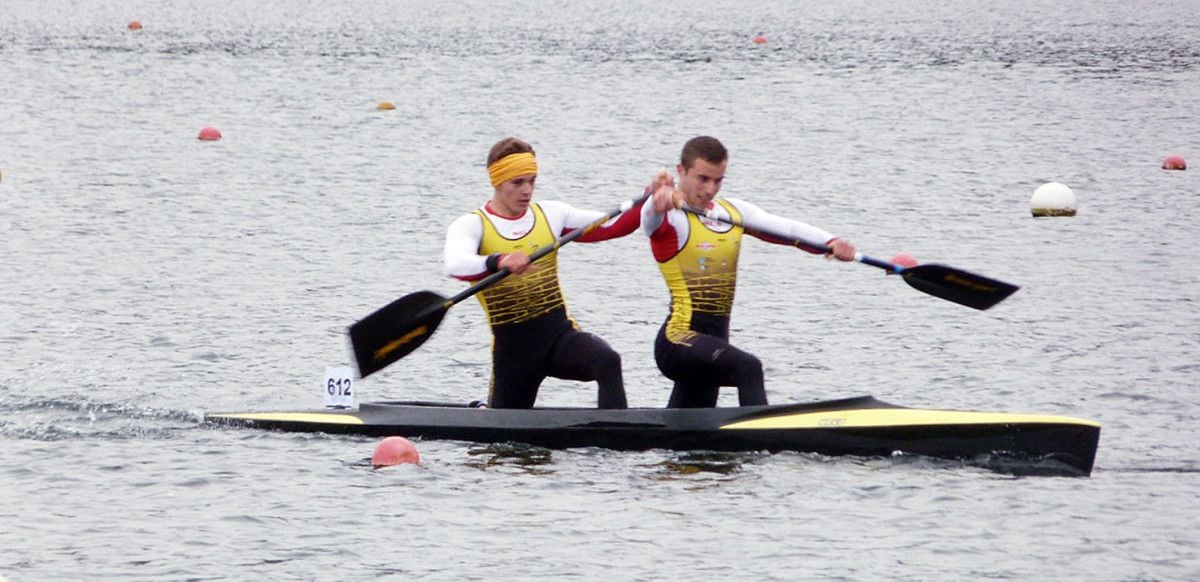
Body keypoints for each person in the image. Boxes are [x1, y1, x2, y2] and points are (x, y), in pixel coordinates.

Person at [641, 136, 857, 408]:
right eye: (703, 179)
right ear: (681, 171)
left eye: (718, 180)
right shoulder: (669, 218)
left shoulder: (733, 212)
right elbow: (649, 218)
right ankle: (768, 448)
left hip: (714, 345)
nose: (710, 189)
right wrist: (655, 203)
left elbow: (787, 230)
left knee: (692, 432)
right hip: (677, 342)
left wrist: (832, 242)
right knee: (748, 368)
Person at [444, 137, 643, 409]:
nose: (527, 191)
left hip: (561, 339)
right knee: (505, 444)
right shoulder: (472, 224)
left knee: (607, 360)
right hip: (514, 353)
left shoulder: (551, 214)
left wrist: (652, 199)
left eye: (531, 181)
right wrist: (499, 260)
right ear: (497, 182)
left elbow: (614, 225)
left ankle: (619, 440)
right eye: (517, 183)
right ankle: (482, 409)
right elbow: (455, 264)